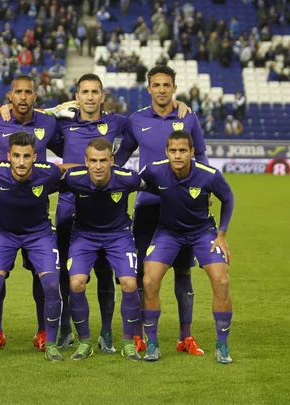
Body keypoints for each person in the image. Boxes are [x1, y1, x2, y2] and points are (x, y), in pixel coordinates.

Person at [114, 65, 209, 355]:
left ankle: (186, 337)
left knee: (183, 271)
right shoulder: (137, 119)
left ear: (174, 88)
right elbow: (121, 156)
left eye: (166, 85)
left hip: (182, 208)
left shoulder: (187, 117)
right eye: (156, 85)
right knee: (144, 271)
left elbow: (201, 155)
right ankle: (142, 335)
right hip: (147, 206)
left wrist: (207, 190)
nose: (162, 90)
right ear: (149, 89)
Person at [0, 75, 62, 351]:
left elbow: (69, 156)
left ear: (35, 96)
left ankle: (44, 333)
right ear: (10, 95)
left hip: (38, 226)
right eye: (18, 92)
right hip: (3, 220)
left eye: (29, 92)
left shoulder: (49, 122)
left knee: (48, 282)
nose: (23, 97)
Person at [139, 130, 234, 364]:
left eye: (183, 151)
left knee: (221, 280)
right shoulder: (154, 169)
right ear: (166, 152)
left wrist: (222, 234)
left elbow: (228, 197)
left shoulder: (209, 175)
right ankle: (152, 343)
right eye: (173, 151)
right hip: (168, 233)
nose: (178, 155)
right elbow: (132, 182)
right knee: (149, 281)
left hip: (203, 233)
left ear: (192, 152)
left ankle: (222, 345)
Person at [60, 138, 143, 361]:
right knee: (76, 282)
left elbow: (159, 184)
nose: (98, 166)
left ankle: (127, 343)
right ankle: (85, 342)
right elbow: (44, 180)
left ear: (112, 161)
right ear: (85, 161)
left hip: (119, 236)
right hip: (84, 236)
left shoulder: (128, 179)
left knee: (130, 283)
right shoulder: (74, 179)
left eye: (103, 161)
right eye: (93, 161)